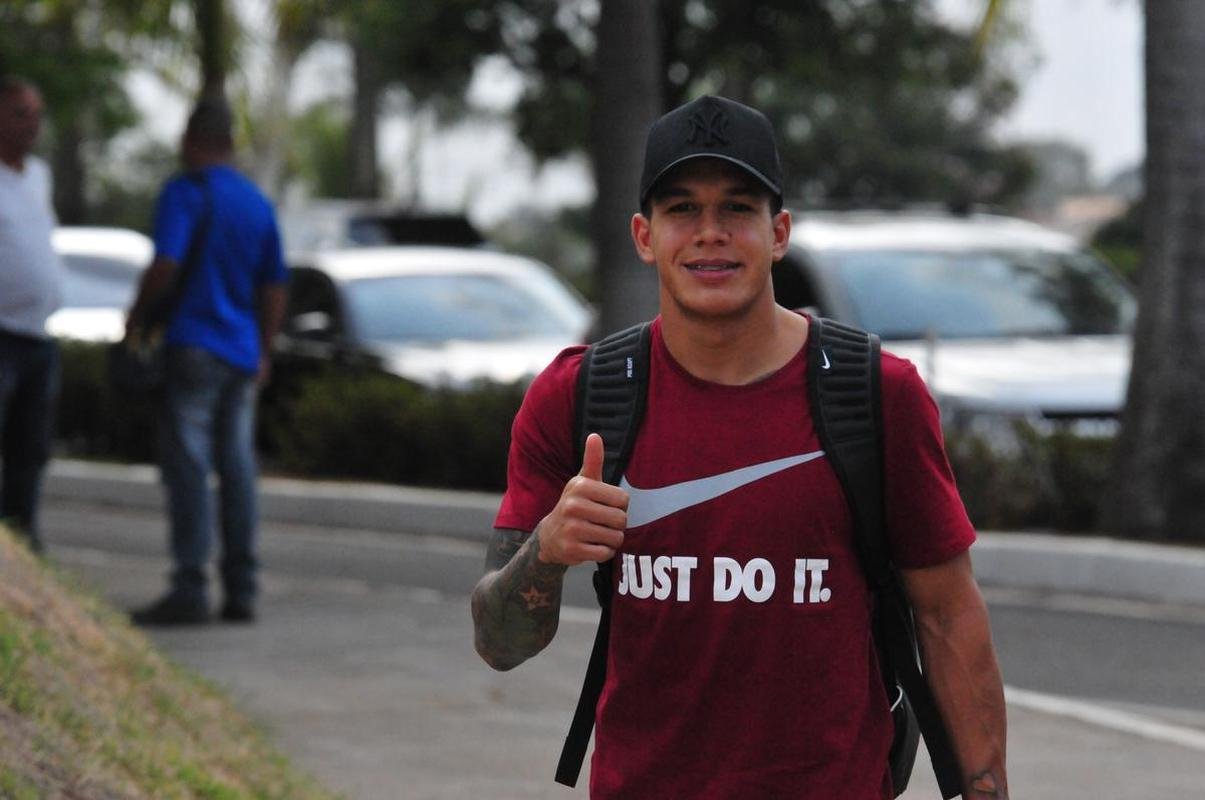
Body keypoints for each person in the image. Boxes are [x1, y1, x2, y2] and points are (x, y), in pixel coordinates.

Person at [471, 95, 1008, 799]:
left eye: (736, 209)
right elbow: (498, 643)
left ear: (777, 231)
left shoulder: (876, 395)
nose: (709, 233)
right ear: (643, 234)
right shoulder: (579, 396)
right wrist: (548, 547)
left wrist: (986, 789)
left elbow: (947, 615)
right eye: (681, 210)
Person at [127, 96, 288, 626]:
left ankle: (191, 586)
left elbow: (166, 263)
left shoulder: (185, 191)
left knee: (190, 467)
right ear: (232, 145)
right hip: (241, 352)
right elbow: (274, 287)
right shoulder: (256, 203)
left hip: (193, 344)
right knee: (238, 468)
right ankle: (241, 587)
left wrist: (136, 317)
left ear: (193, 141)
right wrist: (264, 349)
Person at [0, 76, 63, 554]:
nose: (32, 125)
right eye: (20, 113)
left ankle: (23, 538)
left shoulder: (38, 174)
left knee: (31, 447)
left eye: (36, 115)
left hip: (38, 336)